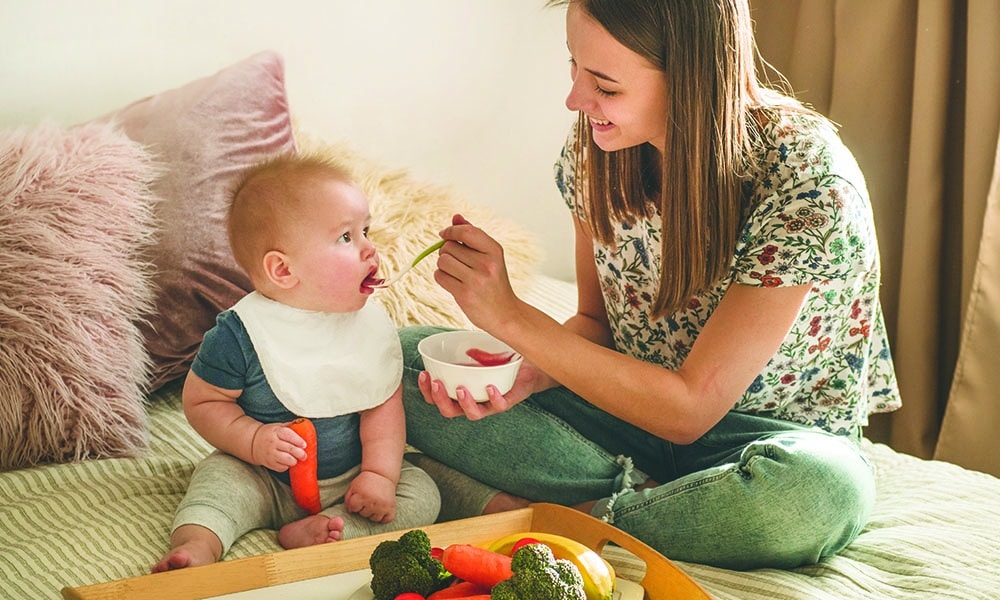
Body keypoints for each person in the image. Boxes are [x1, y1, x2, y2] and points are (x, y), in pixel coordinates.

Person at [400, 0, 901, 570]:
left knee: (814, 498)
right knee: (397, 361)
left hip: (767, 442)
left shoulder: (806, 179)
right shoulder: (597, 148)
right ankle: (652, 505)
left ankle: (573, 512)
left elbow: (690, 410)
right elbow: (594, 326)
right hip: (625, 421)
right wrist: (526, 372)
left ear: (692, 80)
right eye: (574, 67)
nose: (576, 100)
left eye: (605, 87)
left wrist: (514, 317)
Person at [153, 154, 440, 572]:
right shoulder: (241, 335)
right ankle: (197, 546)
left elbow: (382, 406)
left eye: (366, 230)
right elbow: (202, 402)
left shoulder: (369, 328)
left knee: (421, 494)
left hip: (349, 479)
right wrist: (251, 438)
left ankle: (324, 531)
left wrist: (379, 476)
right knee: (216, 486)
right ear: (283, 270)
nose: (369, 248)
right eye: (346, 237)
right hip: (262, 477)